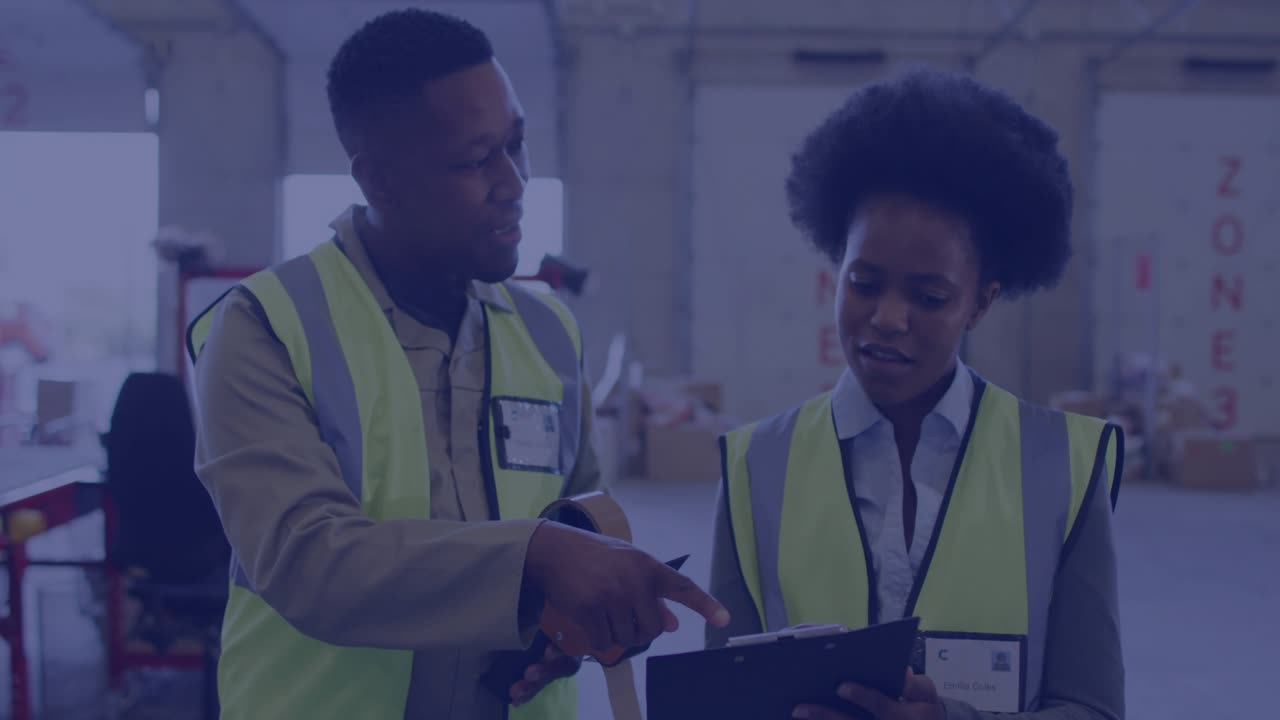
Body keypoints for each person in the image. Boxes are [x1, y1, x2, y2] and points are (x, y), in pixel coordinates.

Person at [187, 9, 727, 720]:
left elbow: (584, 509)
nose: (514, 181)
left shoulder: (548, 331)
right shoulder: (266, 327)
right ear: (381, 180)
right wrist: (536, 559)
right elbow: (307, 561)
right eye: (476, 160)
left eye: (517, 143)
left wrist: (575, 619)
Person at [707, 69, 1124, 720]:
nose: (888, 318)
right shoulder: (756, 465)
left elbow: (1092, 709)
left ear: (981, 303)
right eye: (864, 284)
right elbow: (718, 701)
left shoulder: (1064, 467)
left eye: (929, 296)